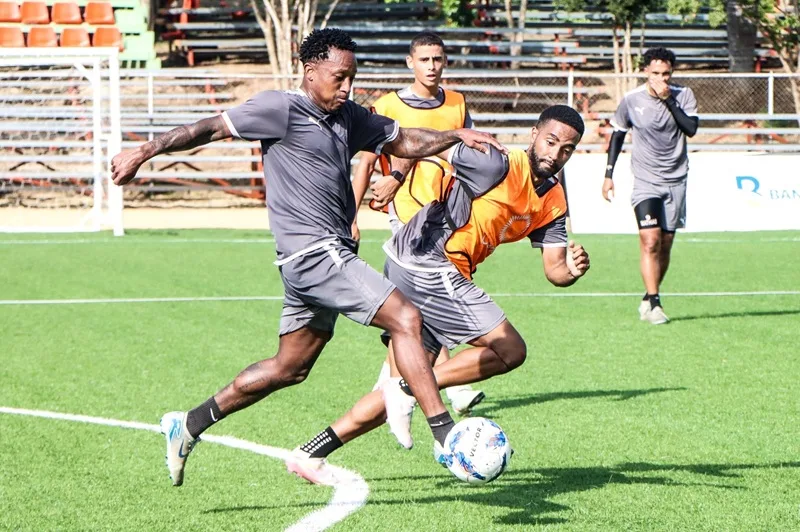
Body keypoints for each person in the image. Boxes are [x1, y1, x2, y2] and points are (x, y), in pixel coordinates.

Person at [110, 28, 505, 487]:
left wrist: (454, 135)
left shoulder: (349, 116)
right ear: (310, 70)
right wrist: (144, 150)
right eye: (339, 77)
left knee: (290, 368)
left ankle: (189, 424)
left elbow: (404, 141)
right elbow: (208, 128)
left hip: (320, 256)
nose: (347, 87)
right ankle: (445, 435)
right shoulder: (280, 108)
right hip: (313, 252)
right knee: (405, 317)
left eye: (352, 77)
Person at [286, 105, 591, 485]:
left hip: (438, 269)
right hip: (428, 260)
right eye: (550, 141)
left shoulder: (553, 199)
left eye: (567, 149)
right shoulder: (494, 163)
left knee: (414, 381)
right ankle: (409, 389)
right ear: (534, 134)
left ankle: (310, 453)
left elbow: (555, 270)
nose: (555, 154)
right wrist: (396, 175)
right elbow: (420, 142)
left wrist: (572, 270)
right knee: (510, 350)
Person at [351, 31, 484, 429]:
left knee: (417, 307)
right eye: (424, 59)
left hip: (448, 216)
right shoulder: (388, 106)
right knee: (423, 301)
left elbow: (469, 154)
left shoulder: (457, 103)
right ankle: (452, 388)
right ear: (410, 62)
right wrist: (351, 216)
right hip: (408, 216)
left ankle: (391, 381)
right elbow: (366, 162)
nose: (431, 66)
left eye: (438, 59)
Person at [602, 47, 698, 325]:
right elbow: (618, 135)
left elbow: (690, 128)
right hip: (645, 180)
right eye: (656, 73)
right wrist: (608, 174)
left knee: (665, 244)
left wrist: (668, 100)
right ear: (646, 71)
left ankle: (648, 296)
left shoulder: (683, 95)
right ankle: (655, 302)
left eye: (666, 74)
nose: (661, 79)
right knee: (650, 240)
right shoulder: (632, 100)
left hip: (676, 179)